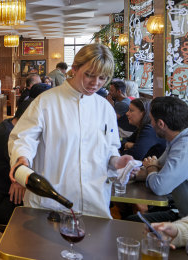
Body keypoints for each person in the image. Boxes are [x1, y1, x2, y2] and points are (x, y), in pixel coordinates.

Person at [8, 43, 135, 219]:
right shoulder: (46, 102)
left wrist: (117, 161)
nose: (95, 83)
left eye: (102, 78)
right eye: (89, 75)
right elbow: (23, 138)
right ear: (74, 68)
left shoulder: (105, 108)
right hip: (51, 202)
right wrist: (22, 157)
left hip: (95, 200)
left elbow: (110, 148)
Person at [0, 84, 49, 224]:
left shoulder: (9, 126)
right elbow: (28, 174)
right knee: (42, 212)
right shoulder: (9, 136)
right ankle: (16, 244)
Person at [131, 96, 188, 223]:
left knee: (132, 222)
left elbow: (160, 186)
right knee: (132, 220)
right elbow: (158, 167)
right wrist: (135, 174)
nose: (150, 124)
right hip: (180, 213)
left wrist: (151, 168)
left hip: (184, 221)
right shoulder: (175, 140)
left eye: (151, 120)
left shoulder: (184, 147)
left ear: (161, 124)